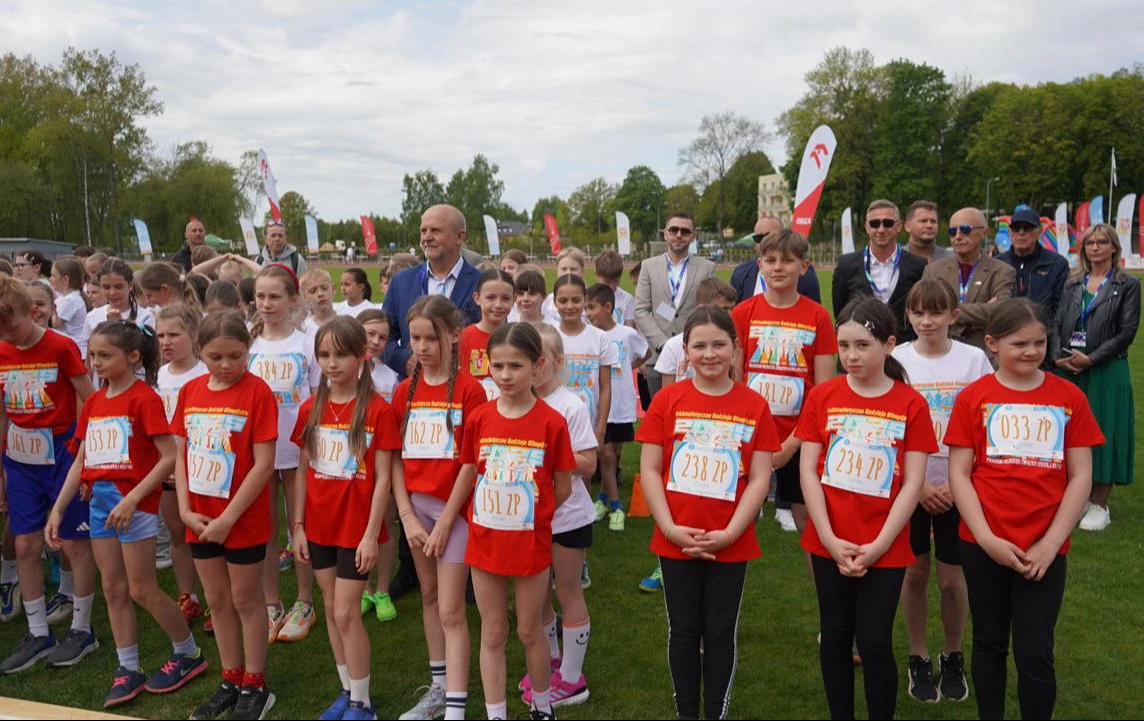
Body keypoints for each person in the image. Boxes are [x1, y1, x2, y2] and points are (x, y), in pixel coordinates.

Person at [946, 298, 1105, 721]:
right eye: (1019, 344)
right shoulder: (973, 398)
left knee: (1035, 651)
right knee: (989, 642)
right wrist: (986, 539)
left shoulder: (1068, 396)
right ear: (992, 344)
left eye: (1039, 342)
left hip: (1043, 548)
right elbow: (960, 473)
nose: (1032, 352)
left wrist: (1050, 544)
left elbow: (1081, 475)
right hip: (984, 544)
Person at [47, 319, 207, 708]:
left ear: (133, 357)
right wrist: (58, 509)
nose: (96, 363)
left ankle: (187, 652)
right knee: (113, 588)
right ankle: (128, 667)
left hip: (132, 505)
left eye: (105, 355)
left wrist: (133, 498)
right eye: (92, 355)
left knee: (141, 588)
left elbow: (169, 456)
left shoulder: (144, 399)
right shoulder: (95, 402)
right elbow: (81, 459)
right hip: (101, 504)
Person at [424, 322, 575, 721]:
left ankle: (542, 706)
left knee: (529, 629)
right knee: (492, 631)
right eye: (498, 366)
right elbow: (469, 468)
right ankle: (496, 714)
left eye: (516, 366)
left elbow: (563, 486)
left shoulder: (551, 422)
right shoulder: (479, 418)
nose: (505, 375)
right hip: (485, 541)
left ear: (537, 366)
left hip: (529, 543)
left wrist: (534, 516)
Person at [796, 297, 938, 721]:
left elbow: (912, 483)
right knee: (835, 637)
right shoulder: (823, 395)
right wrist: (828, 538)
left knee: (875, 642)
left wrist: (878, 545)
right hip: (830, 541)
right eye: (844, 346)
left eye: (862, 345)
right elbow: (809, 472)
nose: (851, 356)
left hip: (884, 544)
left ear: (889, 345)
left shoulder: (911, 404)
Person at [637, 305, 780, 720]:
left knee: (719, 633)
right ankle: (687, 713)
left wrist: (731, 533)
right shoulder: (667, 400)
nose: (710, 354)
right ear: (686, 350)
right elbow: (651, 469)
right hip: (676, 537)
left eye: (719, 345)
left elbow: (760, 477)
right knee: (683, 631)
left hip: (729, 541)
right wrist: (669, 528)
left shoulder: (754, 405)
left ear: (735, 348)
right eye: (699, 346)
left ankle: (716, 713)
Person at [291, 317, 401, 721]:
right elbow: (303, 470)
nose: (331, 363)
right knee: (331, 606)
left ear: (361, 356)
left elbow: (384, 479)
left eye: (340, 355)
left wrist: (372, 535)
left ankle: (362, 703)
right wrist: (297, 526)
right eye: (324, 355)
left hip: (357, 528)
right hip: (319, 526)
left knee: (346, 612)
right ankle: (346, 689)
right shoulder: (311, 408)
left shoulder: (378, 410)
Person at [892, 279, 993, 704]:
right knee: (914, 574)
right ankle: (918, 656)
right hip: (909, 488)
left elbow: (986, 423)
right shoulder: (896, 360)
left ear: (954, 315)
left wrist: (956, 483)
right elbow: (887, 427)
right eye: (918, 312)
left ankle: (952, 654)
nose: (926, 321)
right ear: (908, 315)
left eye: (936, 312)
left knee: (952, 581)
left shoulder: (974, 360)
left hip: (958, 487)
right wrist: (916, 486)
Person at [173, 311, 278, 721]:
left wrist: (229, 519)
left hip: (241, 519)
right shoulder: (190, 391)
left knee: (245, 600)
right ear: (200, 350)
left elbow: (264, 464)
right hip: (200, 517)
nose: (226, 365)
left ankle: (256, 683)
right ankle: (231, 678)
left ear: (248, 350)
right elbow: (181, 455)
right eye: (215, 357)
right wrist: (185, 509)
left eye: (236, 356)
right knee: (217, 601)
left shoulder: (257, 392)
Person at [390, 295, 487, 721]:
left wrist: (446, 521)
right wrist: (407, 515)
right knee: (428, 595)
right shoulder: (402, 392)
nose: (422, 347)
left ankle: (456, 708)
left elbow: (471, 461)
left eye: (431, 338)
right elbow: (394, 458)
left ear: (454, 335)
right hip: (417, 512)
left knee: (450, 609)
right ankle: (439, 689)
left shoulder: (470, 390)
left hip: (456, 515)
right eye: (415, 338)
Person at [0, 278, 99, 673]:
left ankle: (82, 628)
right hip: (19, 459)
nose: (8, 336)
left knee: (72, 542)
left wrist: (83, 453)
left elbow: (89, 399)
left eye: (11, 326)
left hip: (62, 454)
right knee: (25, 545)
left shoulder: (61, 346)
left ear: (34, 312)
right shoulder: (2, 350)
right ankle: (38, 631)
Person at [731, 229, 837, 550]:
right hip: (750, 433)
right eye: (771, 260)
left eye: (787, 261)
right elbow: (735, 382)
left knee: (807, 516)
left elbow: (823, 391)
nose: (778, 267)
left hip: (800, 436)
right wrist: (754, 435)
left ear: (804, 267)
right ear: (760, 265)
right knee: (740, 513)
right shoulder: (743, 313)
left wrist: (792, 444)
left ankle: (822, 580)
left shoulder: (818, 317)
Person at [520, 324, 598, 708]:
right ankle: (550, 659)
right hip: (529, 518)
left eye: (540, 360)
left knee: (567, 591)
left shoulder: (571, 406)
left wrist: (550, 453)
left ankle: (572, 677)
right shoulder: (517, 403)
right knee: (537, 598)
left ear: (556, 361)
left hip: (568, 517)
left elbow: (589, 464)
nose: (533, 368)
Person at [246, 265, 320, 644]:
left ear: (293, 299)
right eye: (260, 296)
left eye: (275, 296)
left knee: (298, 525)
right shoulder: (248, 345)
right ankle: (271, 602)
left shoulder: (307, 344)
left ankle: (304, 601)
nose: (267, 303)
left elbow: (318, 397)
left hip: (297, 449)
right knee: (265, 528)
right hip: (259, 451)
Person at [1052, 223, 1140, 531]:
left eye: (1102, 242)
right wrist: (1058, 356)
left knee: (1105, 430)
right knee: (1069, 433)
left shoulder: (1127, 285)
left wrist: (1092, 358)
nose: (1095, 247)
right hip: (1070, 367)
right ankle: (1078, 497)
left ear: (1114, 247)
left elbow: (1127, 332)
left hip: (1106, 369)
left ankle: (1100, 503)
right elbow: (1057, 322)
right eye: (1090, 243)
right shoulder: (1073, 283)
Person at [155, 307, 210, 626]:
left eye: (174, 334)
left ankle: (218, 599)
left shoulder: (205, 373)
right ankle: (188, 596)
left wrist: (185, 467)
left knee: (207, 533)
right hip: (167, 466)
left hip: (199, 466)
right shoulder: (160, 375)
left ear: (194, 335)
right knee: (177, 531)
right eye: (161, 335)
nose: (166, 341)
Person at [383, 205, 481, 377]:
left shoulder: (481, 283)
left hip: (465, 386)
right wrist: (404, 361)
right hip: (414, 387)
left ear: (460, 237)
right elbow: (383, 335)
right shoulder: (401, 282)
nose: (427, 238)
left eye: (435, 231)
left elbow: (493, 337)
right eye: (423, 231)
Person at [586, 284, 648, 533]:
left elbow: (646, 351)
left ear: (608, 307)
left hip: (620, 404)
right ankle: (616, 505)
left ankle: (601, 499)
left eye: (591, 307)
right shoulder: (589, 335)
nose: (587, 313)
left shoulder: (626, 334)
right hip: (599, 405)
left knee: (610, 457)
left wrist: (628, 364)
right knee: (607, 455)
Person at [635, 212, 717, 397]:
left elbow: (710, 311)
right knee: (662, 409)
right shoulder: (648, 266)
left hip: (695, 356)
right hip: (658, 356)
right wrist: (663, 344)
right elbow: (640, 310)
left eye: (685, 231)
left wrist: (692, 344)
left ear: (693, 236)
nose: (679, 235)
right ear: (665, 233)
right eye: (674, 230)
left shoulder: (706, 268)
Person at [922, 207, 1015, 355]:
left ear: (984, 232)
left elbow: (1000, 311)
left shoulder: (1002, 271)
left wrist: (946, 311)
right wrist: (983, 309)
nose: (958, 236)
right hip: (940, 352)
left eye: (965, 230)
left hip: (983, 353)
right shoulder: (933, 270)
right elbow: (924, 311)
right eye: (953, 231)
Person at [832, 199, 927, 343]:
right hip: (861, 347)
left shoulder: (918, 265)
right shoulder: (846, 265)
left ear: (899, 226)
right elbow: (840, 310)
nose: (881, 229)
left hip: (905, 348)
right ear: (866, 227)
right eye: (875, 224)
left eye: (888, 223)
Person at [553, 275, 616, 457]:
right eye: (563, 301)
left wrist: (601, 429)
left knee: (584, 469)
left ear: (585, 300)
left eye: (576, 300)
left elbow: (605, 387)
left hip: (588, 423)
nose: (569, 306)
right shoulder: (548, 335)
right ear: (555, 301)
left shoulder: (599, 338)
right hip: (554, 420)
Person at [996, 206, 1069, 329]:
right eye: (1016, 228)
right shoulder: (998, 263)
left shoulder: (1057, 264)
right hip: (1006, 332)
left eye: (1027, 228)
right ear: (1010, 233)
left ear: (1039, 233)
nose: (1021, 233)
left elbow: (1060, 309)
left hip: (1043, 333)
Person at [730, 215, 822, 303]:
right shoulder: (740, 274)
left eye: (770, 236)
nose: (764, 241)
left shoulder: (804, 273)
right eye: (759, 238)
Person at [80, 259, 156, 362]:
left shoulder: (145, 317)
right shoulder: (92, 316)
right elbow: (89, 358)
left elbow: (146, 354)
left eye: (118, 287)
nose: (112, 292)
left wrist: (119, 327)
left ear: (130, 285)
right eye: (106, 287)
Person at [459, 269, 515, 400]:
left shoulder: (519, 338)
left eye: (505, 298)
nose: (498, 305)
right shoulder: (463, 338)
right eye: (491, 298)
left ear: (514, 299)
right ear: (477, 298)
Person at [138, 263, 205, 315]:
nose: (147, 300)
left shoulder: (177, 318)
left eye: (149, 295)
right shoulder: (159, 311)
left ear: (165, 289)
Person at [50, 257, 90, 342]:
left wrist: (51, 311)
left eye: (53, 276)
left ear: (65, 279)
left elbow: (55, 324)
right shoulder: (64, 298)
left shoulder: (71, 300)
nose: (50, 279)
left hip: (76, 345)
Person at [594, 250, 637, 327]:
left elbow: (629, 329)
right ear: (597, 275)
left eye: (615, 281)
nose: (611, 286)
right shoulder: (588, 298)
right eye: (607, 282)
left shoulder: (627, 299)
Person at [300, 269, 338, 335]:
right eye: (313, 291)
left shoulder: (347, 322)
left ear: (333, 289)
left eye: (324, 288)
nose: (320, 294)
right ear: (305, 297)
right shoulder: (304, 328)